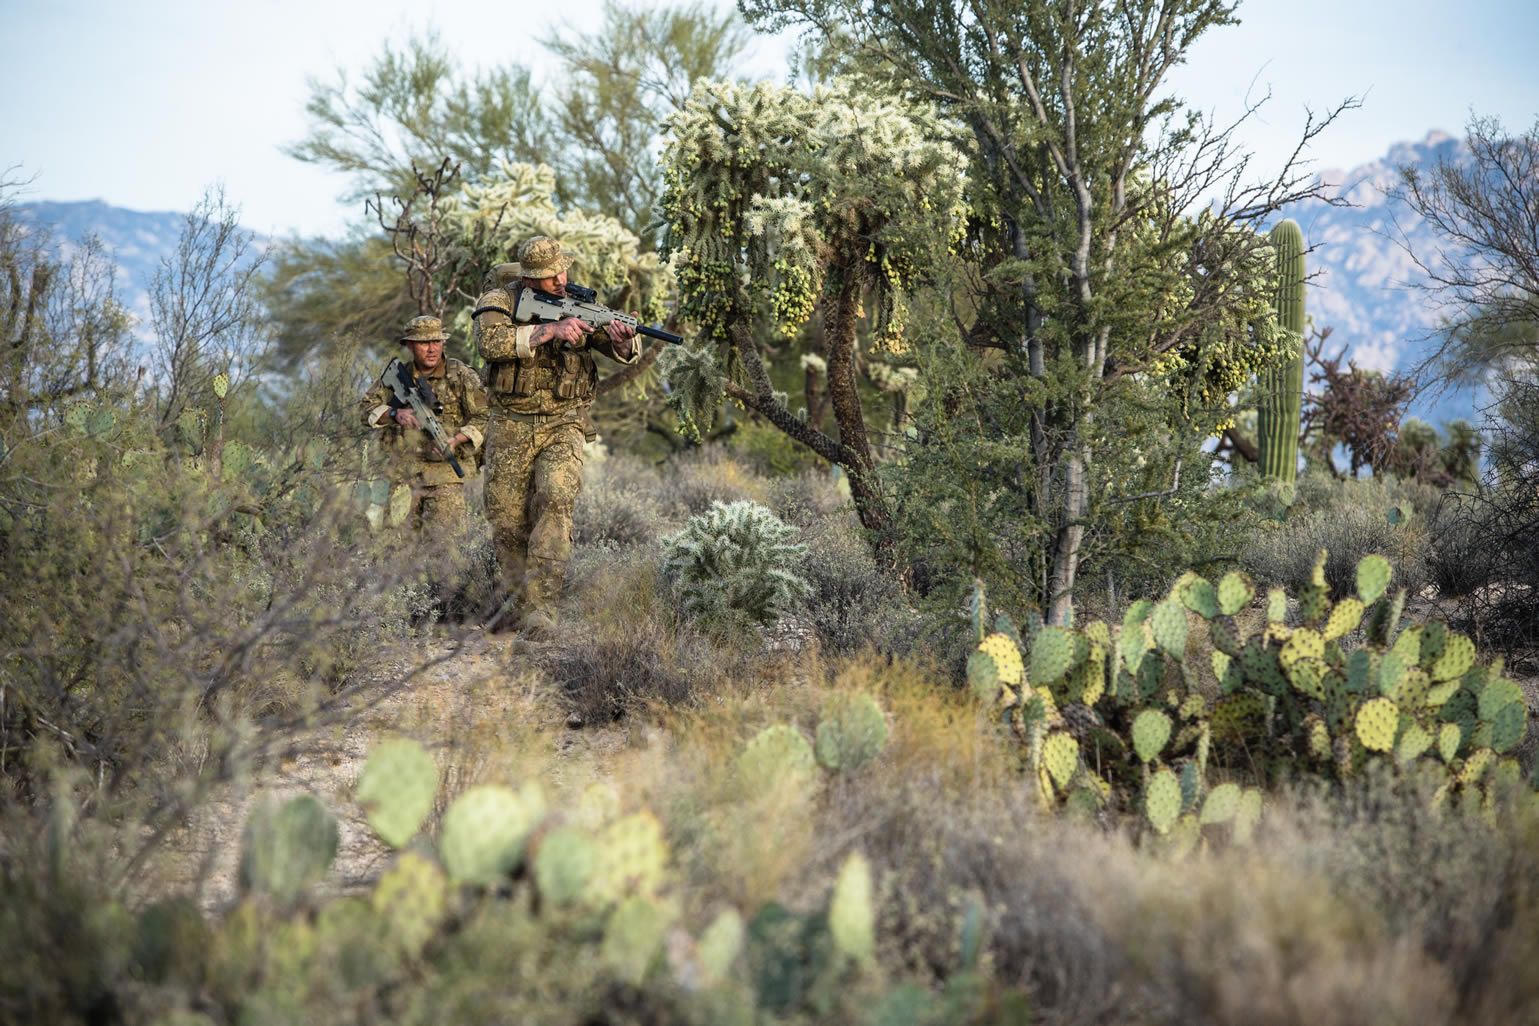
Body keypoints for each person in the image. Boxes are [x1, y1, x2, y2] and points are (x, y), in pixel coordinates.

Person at [472, 236, 639, 636]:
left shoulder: (579, 301)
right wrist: (548, 332)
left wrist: (624, 341)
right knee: (508, 519)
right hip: (510, 423)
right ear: (529, 279)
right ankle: (519, 604)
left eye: (563, 270)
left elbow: (618, 345)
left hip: (564, 422)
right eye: (550, 277)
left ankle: (543, 610)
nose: (561, 280)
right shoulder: (499, 301)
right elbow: (489, 342)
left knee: (556, 498)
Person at [359, 315, 488, 532]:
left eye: (436, 342)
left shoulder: (461, 375)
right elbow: (365, 409)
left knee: (444, 548)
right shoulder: (399, 376)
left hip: (445, 475)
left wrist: (456, 440)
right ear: (409, 345)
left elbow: (484, 415)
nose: (432, 349)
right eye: (424, 343)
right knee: (398, 549)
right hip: (402, 475)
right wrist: (394, 413)